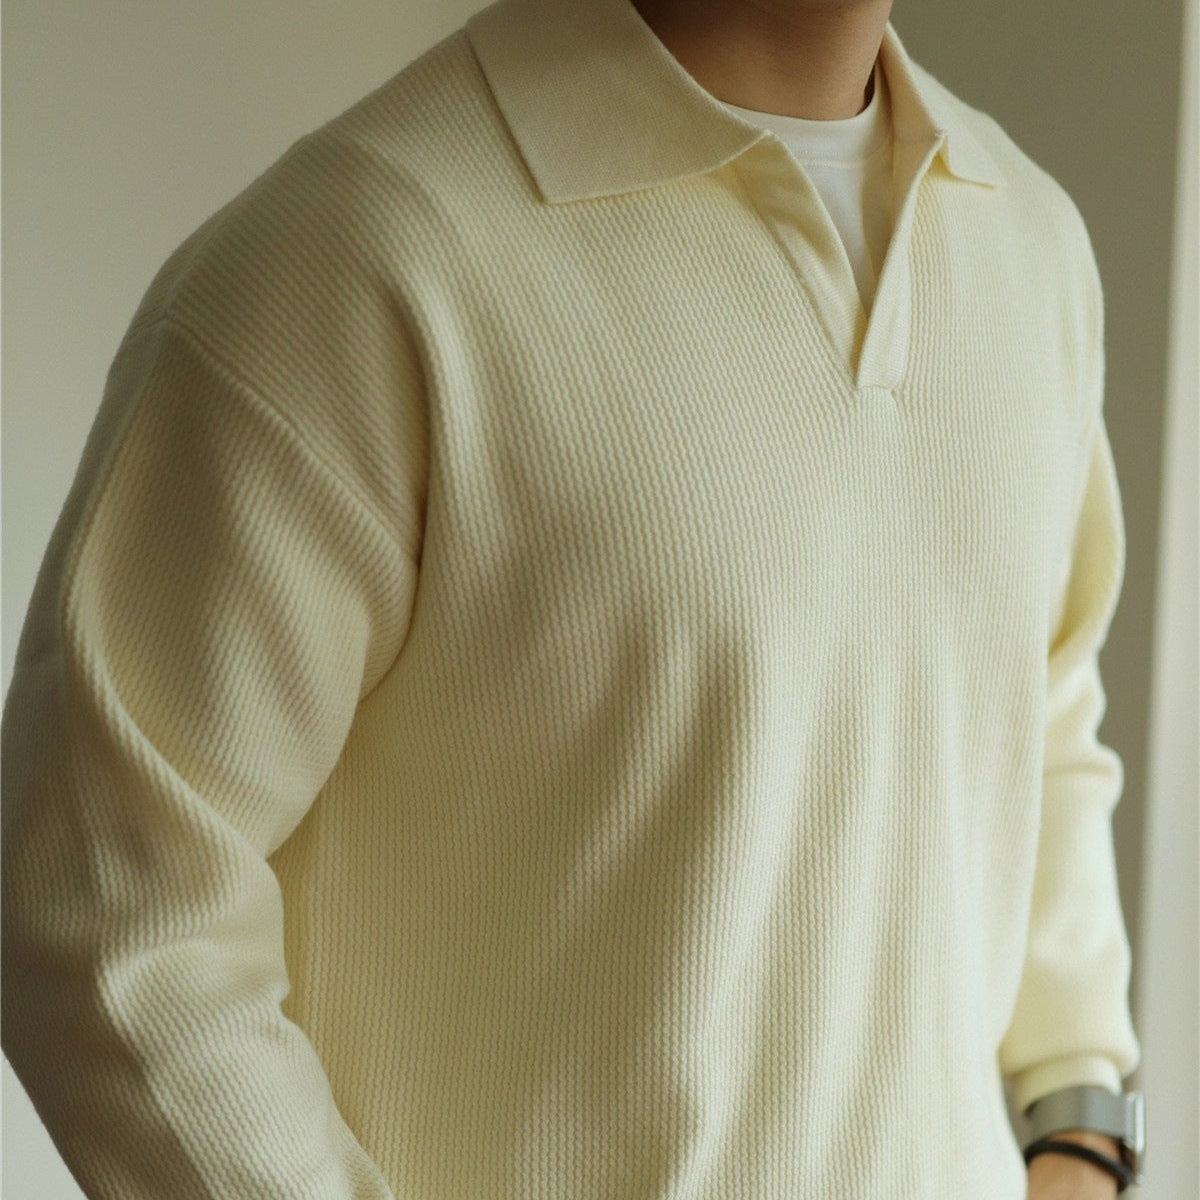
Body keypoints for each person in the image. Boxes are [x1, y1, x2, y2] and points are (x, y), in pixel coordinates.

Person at [0, 0, 1146, 1196]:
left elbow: (1041, 718)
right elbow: (104, 901)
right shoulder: (359, 255)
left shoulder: (1031, 246)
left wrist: (1082, 1122)